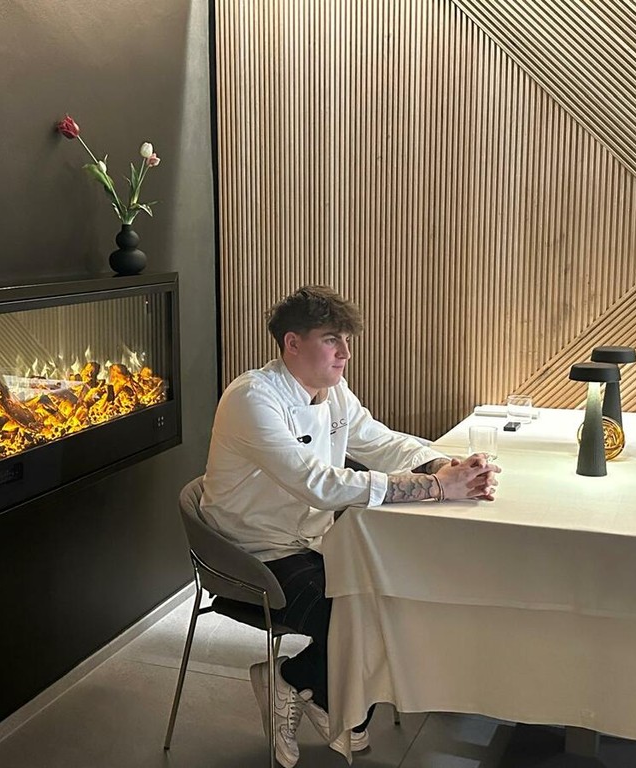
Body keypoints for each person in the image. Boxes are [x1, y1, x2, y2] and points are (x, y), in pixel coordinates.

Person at [200, 286, 500, 767]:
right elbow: (319, 484)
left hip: (312, 542)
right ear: (292, 343)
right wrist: (436, 488)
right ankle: (300, 684)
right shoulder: (252, 398)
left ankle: (313, 691)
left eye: (346, 339)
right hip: (250, 553)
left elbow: (381, 442)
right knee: (355, 617)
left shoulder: (333, 391)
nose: (346, 352)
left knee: (396, 597)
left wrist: (444, 464)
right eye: (331, 339)